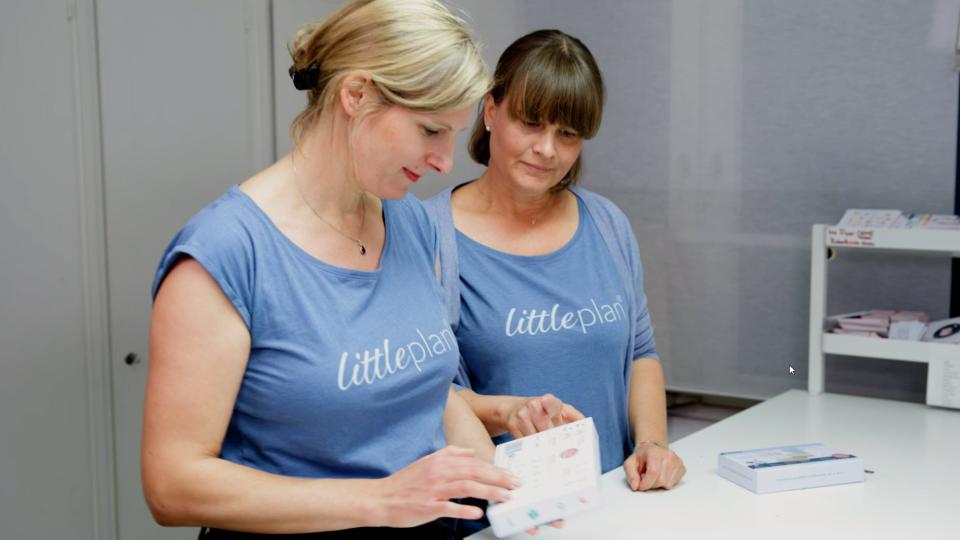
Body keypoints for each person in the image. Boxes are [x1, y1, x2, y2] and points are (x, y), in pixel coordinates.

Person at [141, 2, 518, 539]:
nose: (444, 161)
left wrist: (502, 488)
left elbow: (433, 396)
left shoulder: (410, 222)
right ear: (357, 95)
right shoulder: (226, 254)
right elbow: (171, 485)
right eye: (431, 130)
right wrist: (380, 499)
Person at [426, 29, 686, 513]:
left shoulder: (606, 224)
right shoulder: (431, 237)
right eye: (530, 123)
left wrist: (651, 443)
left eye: (568, 134)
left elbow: (641, 354)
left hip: (613, 503)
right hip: (502, 516)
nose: (548, 149)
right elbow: (429, 394)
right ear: (490, 111)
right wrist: (509, 411)